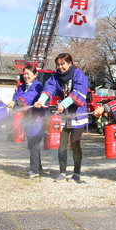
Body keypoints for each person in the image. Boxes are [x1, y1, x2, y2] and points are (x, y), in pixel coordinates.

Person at [34, 53, 89, 182]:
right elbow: (49, 88)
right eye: (58, 65)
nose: (60, 67)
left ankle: (76, 172)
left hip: (77, 114)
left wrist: (64, 104)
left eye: (62, 64)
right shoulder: (55, 76)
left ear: (69, 63)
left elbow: (79, 92)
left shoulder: (78, 74)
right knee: (62, 144)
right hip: (63, 115)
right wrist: (41, 101)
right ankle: (62, 172)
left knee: (75, 143)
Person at [8, 64, 44, 178]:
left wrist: (17, 102)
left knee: (34, 143)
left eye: (28, 74)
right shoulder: (23, 86)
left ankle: (34, 170)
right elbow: (16, 95)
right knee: (32, 143)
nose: (26, 76)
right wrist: (14, 101)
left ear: (35, 74)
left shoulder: (37, 86)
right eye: (25, 74)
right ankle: (38, 167)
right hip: (27, 117)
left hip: (37, 118)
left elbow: (29, 96)